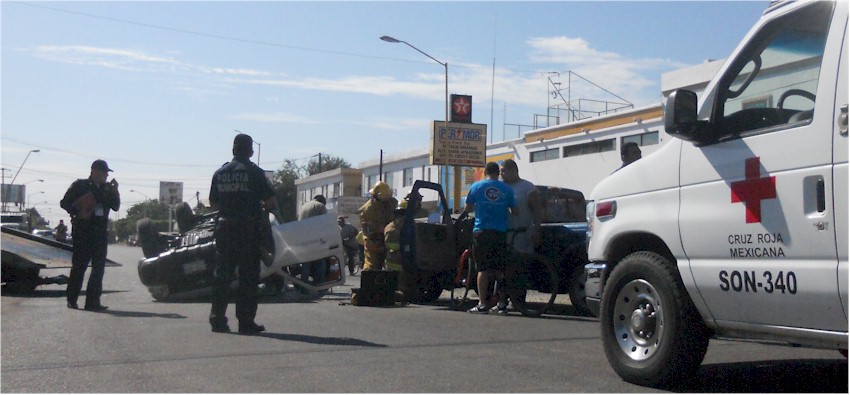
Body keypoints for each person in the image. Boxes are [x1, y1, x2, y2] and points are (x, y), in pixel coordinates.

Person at [208, 133, 278, 335]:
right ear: (251, 151)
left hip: (224, 229)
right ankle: (246, 322)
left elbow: (213, 203)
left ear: (233, 150)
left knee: (222, 276)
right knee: (248, 277)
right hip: (247, 230)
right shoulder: (255, 173)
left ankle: (217, 319)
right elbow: (270, 201)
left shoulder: (220, 173)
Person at [60, 159, 121, 311]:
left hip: (100, 233)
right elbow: (64, 202)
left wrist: (115, 191)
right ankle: (72, 299)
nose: (106, 175)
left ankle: (93, 301)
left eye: (107, 173)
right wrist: (78, 211)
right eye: (104, 172)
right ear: (94, 171)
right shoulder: (80, 185)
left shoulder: (107, 189)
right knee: (79, 267)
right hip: (83, 232)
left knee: (98, 269)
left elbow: (115, 206)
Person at [462, 161, 516, 314]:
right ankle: (501, 304)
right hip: (500, 232)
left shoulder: (476, 187)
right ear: (498, 173)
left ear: (485, 172)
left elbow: (467, 209)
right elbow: (515, 210)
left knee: (483, 269)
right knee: (500, 269)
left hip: (482, 231)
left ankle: (482, 304)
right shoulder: (506, 189)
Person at [496, 159, 544, 315]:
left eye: (503, 171)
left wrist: (537, 229)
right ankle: (502, 300)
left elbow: (537, 210)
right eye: (500, 171)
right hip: (504, 233)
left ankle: (519, 301)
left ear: (513, 170)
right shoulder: (500, 187)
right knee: (503, 268)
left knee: (521, 267)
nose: (501, 174)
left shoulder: (527, 187)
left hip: (523, 233)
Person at [357, 181, 397, 271]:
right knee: (372, 266)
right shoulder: (368, 209)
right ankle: (370, 282)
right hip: (374, 239)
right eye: (385, 198)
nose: (387, 201)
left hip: (389, 237)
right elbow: (368, 228)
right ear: (376, 196)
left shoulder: (392, 203)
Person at [298, 195, 328, 284]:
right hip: (315, 239)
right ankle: (319, 284)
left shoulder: (304, 206)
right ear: (323, 201)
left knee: (306, 263)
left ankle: (303, 284)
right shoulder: (320, 206)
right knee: (320, 262)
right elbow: (324, 223)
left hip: (303, 238)